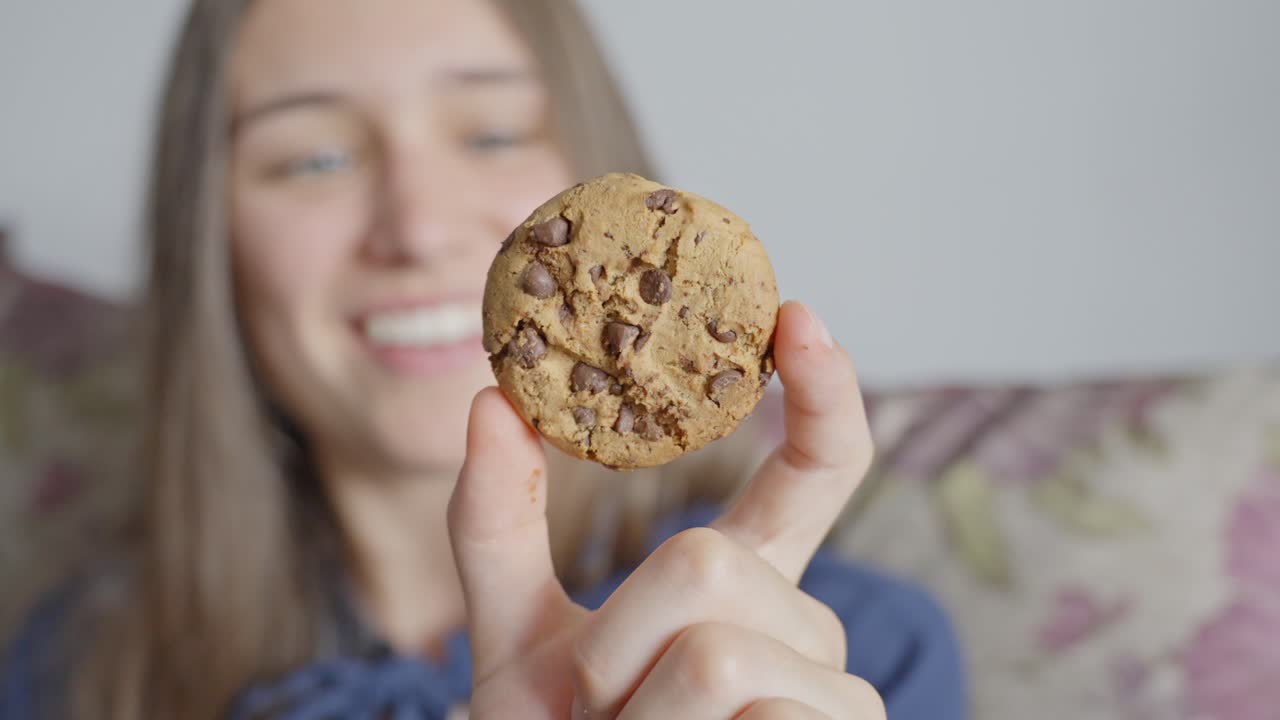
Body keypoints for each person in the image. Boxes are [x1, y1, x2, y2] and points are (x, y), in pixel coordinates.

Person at [0, 0, 966, 717]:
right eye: (313, 158)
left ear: (601, 169)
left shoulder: (842, 658)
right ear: (209, 242)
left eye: (493, 132)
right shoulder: (79, 669)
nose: (416, 226)